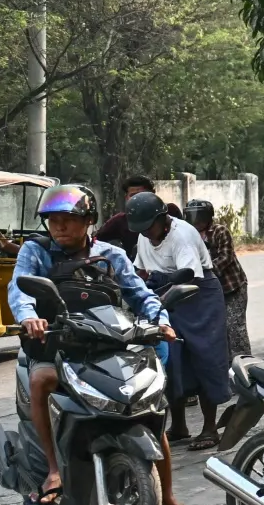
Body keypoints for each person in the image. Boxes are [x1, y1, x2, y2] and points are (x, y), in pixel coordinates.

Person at [7, 185, 199, 505]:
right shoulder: (35, 252)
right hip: (56, 344)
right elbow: (20, 288)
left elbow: (141, 295)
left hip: (108, 344)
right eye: (53, 221)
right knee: (40, 380)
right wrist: (28, 318)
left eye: (69, 220)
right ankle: (54, 469)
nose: (60, 227)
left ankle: (167, 496)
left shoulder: (111, 254)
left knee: (150, 407)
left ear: (89, 221)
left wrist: (161, 322)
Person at [131, 192, 233, 452]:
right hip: (163, 290)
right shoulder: (145, 236)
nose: (146, 234)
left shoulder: (182, 234)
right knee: (171, 359)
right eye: (141, 230)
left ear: (163, 219)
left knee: (204, 358)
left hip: (197, 293)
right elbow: (141, 269)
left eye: (149, 227)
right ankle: (179, 426)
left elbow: (188, 276)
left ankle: (210, 427)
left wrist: (159, 298)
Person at [187, 200, 250, 357]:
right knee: (216, 328)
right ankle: (225, 363)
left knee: (235, 327)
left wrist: (204, 272)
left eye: (200, 216)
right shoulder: (188, 235)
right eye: (192, 216)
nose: (196, 221)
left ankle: (244, 362)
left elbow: (225, 257)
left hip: (232, 287)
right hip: (210, 291)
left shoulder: (220, 231)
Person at [94, 176, 176, 261]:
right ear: (126, 198)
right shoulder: (119, 221)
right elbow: (95, 241)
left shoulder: (170, 211)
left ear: (153, 193)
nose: (139, 200)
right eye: (133, 196)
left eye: (143, 195)